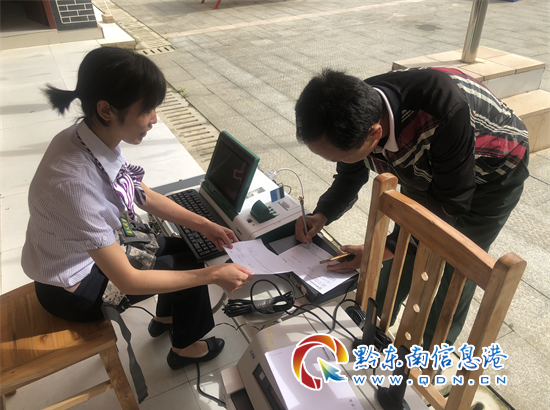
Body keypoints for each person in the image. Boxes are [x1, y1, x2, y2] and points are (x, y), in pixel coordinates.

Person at [22, 47, 253, 371]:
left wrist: (204, 224)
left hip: (78, 259)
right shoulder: (73, 184)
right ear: (106, 109)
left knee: (183, 250)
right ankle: (185, 348)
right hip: (74, 291)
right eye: (147, 110)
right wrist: (214, 275)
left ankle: (166, 318)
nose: (154, 119)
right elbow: (128, 280)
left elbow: (139, 192)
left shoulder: (85, 138)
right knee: (190, 269)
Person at [294, 67, 529, 349]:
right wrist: (322, 214)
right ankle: (371, 324)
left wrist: (382, 250)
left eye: (340, 157)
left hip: (494, 171)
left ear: (375, 133)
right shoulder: (351, 111)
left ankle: (429, 352)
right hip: (430, 163)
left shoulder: (441, 110)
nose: (338, 162)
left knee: (459, 266)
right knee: (403, 245)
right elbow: (350, 175)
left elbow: (451, 202)